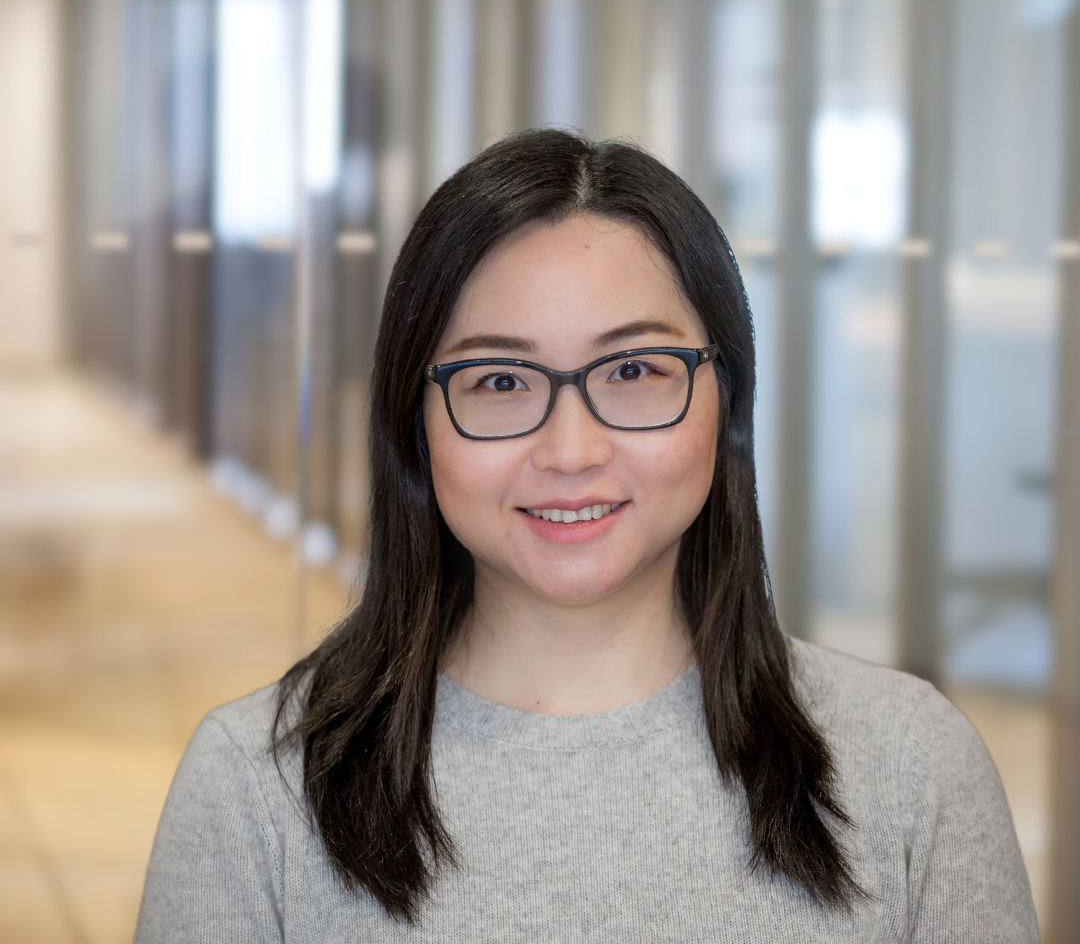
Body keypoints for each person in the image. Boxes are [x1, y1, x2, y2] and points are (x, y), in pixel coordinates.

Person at [136, 129, 1038, 942]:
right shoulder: (257, 792)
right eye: (500, 382)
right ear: (414, 419)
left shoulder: (912, 771)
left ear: (727, 398)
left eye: (635, 369)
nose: (571, 450)